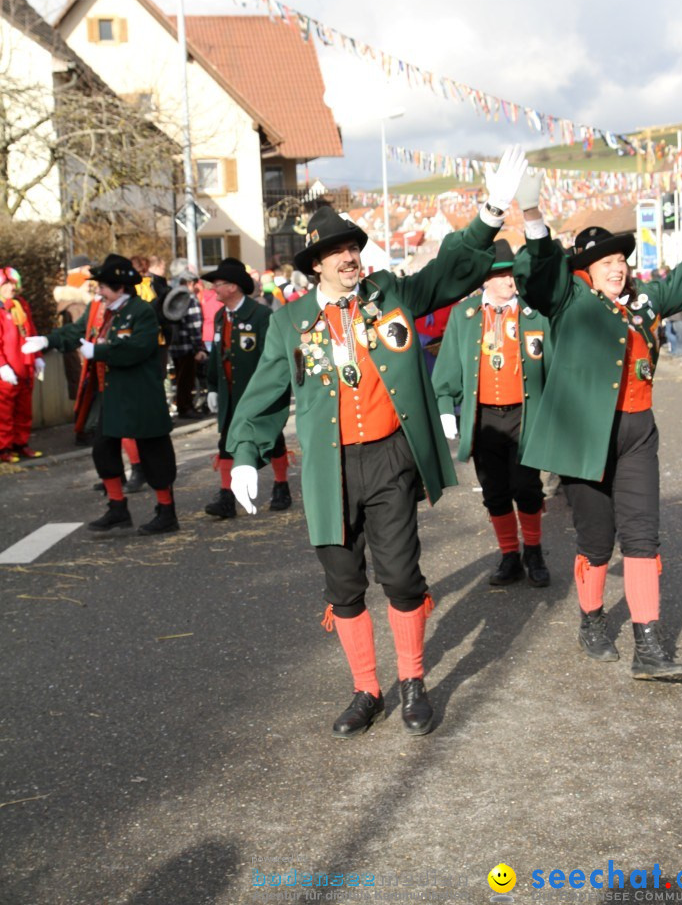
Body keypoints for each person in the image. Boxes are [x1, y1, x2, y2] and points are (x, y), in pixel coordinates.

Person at [225, 146, 528, 738]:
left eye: (353, 248)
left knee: (402, 577)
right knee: (343, 584)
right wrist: (243, 453)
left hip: (390, 457)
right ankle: (367, 689)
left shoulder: (388, 293)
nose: (349, 258)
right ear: (315, 264)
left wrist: (489, 213)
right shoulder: (289, 322)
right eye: (336, 252)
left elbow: (450, 269)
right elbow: (263, 393)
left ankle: (412, 680)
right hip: (328, 470)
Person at [514, 181, 682, 680]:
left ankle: (648, 645)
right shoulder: (567, 299)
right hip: (586, 436)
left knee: (643, 536)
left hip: (637, 433)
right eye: (606, 261)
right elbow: (537, 275)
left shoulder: (643, 299)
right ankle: (591, 619)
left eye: (621, 259)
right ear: (584, 270)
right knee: (597, 540)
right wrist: (534, 216)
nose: (619, 266)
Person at [22, 254, 179, 536]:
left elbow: (140, 347)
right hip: (114, 393)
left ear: (119, 287)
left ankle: (166, 511)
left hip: (141, 394)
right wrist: (48, 340)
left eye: (103, 286)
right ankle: (117, 508)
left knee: (154, 451)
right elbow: (76, 331)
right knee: (103, 448)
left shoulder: (141, 311)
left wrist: (101, 351)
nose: (98, 291)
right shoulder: (100, 309)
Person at [432, 238, 551, 587]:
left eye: (511, 274)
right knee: (494, 491)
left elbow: (553, 364)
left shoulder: (534, 312)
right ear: (484, 279)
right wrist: (445, 408)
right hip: (483, 417)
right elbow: (448, 366)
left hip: (525, 415)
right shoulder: (465, 314)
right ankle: (509, 555)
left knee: (527, 487)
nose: (508, 281)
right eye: (499, 275)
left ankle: (534, 551)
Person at [204, 258, 291, 519]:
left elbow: (272, 356)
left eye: (217, 284)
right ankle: (227, 496)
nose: (214, 290)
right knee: (226, 441)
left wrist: (269, 392)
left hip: (256, 392)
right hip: (229, 393)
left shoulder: (261, 315)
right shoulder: (221, 316)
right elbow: (217, 356)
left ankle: (281, 485)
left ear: (233, 287)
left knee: (272, 439)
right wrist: (211, 387)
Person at [0, 267, 44, 462]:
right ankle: (3, 448)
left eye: (13, 283)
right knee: (4, 411)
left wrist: (38, 356)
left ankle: (20, 444)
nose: (12, 288)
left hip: (25, 365)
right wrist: (1, 365)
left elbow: (31, 331)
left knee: (24, 409)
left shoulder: (21, 305)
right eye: (6, 284)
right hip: (7, 369)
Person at [52, 254, 95, 413]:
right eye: (88, 270)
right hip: (80, 358)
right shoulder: (76, 305)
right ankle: (85, 432)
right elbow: (81, 333)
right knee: (84, 395)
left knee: (84, 395)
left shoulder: (76, 303)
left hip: (80, 356)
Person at [168, 268, 207, 419]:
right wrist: (199, 348)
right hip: (188, 346)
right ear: (190, 283)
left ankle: (183, 406)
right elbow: (194, 324)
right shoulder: (189, 298)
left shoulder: (174, 296)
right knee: (187, 379)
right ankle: (186, 408)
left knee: (179, 378)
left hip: (176, 344)